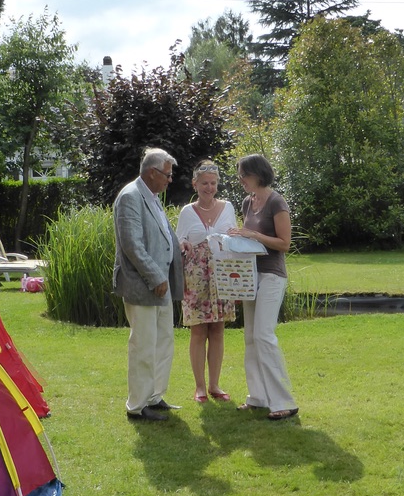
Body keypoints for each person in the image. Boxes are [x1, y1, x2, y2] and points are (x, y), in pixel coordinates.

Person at [112, 148, 184, 422]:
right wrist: (155, 277)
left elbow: (160, 236)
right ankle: (137, 405)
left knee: (164, 342)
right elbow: (132, 244)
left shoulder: (152, 197)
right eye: (167, 174)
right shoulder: (130, 196)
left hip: (161, 284)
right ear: (152, 173)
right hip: (144, 284)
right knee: (143, 345)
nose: (170, 179)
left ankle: (154, 396)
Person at [229, 153, 299, 420]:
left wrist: (253, 235)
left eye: (244, 175)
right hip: (250, 276)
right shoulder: (248, 202)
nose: (241, 180)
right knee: (250, 337)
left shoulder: (276, 202)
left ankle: (284, 401)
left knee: (263, 335)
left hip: (272, 275)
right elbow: (248, 240)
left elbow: (284, 243)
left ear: (258, 174)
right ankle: (257, 397)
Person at [175, 160, 237, 403]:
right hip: (196, 277)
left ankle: (215, 384)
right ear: (195, 184)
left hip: (222, 274)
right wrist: (183, 244)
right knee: (199, 330)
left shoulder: (228, 207)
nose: (209, 188)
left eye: (213, 183)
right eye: (204, 183)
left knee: (218, 329)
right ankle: (200, 387)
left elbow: (235, 238)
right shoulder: (187, 212)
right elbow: (179, 241)